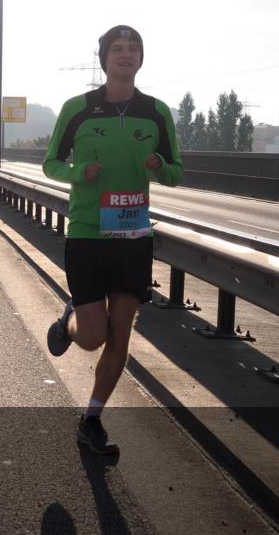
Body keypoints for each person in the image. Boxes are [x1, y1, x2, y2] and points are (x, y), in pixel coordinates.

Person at [42, 25, 183, 456]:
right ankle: (68, 323)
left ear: (141, 59)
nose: (126, 55)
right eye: (117, 49)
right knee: (92, 336)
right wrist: (75, 173)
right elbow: (51, 163)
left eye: (133, 49)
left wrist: (160, 164)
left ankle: (92, 419)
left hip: (134, 235)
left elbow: (176, 174)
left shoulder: (157, 112)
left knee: (122, 332)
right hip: (87, 233)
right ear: (104, 58)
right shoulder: (78, 109)